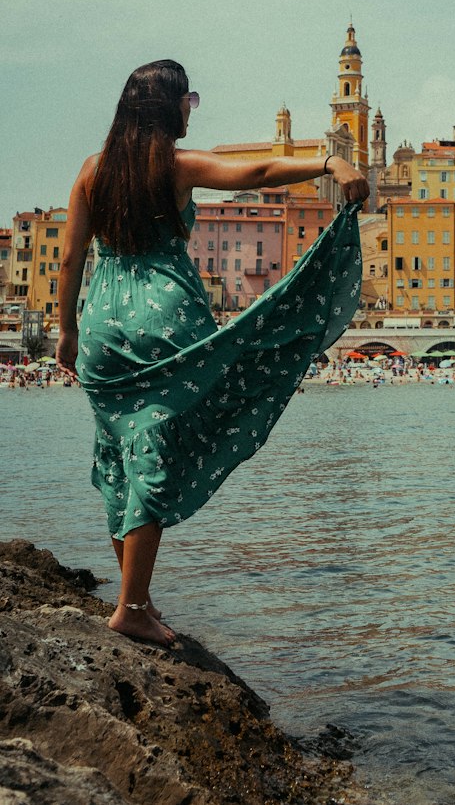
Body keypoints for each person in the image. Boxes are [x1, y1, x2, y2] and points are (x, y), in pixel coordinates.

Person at [56, 60, 369, 647]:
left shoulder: (91, 172)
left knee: (119, 452)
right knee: (154, 452)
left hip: (100, 325)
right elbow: (258, 170)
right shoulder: (172, 165)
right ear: (165, 108)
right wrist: (329, 161)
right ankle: (132, 605)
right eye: (188, 100)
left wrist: (66, 331)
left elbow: (71, 260)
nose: (190, 110)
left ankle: (133, 598)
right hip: (162, 318)